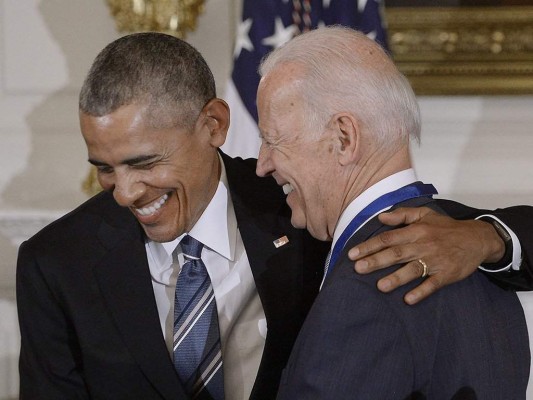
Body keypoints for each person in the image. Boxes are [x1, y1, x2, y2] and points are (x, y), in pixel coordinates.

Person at [16, 32, 531, 400]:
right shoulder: (56, 263)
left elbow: (418, 216)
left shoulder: (302, 203)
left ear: (214, 125)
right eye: (104, 168)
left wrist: (489, 238)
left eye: (144, 162)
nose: (124, 192)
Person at [255, 26, 530, 399]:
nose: (262, 165)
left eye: (273, 140)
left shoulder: (364, 292)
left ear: (344, 138)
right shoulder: (480, 258)